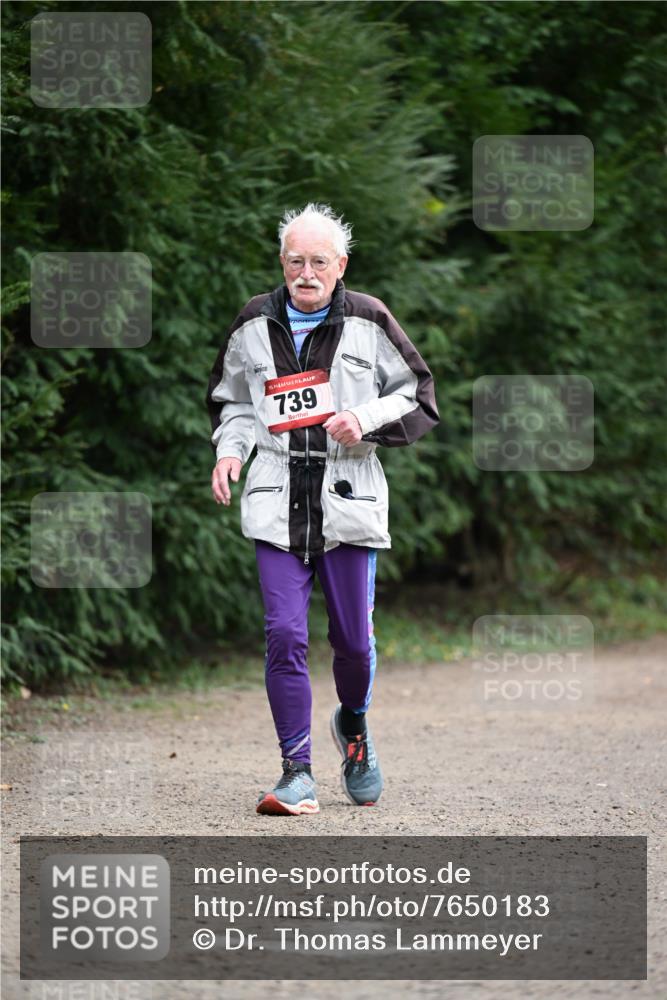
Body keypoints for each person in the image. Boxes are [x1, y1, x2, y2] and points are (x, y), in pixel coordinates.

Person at [206, 203, 439, 815]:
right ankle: (296, 772)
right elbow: (231, 402)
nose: (306, 273)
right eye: (295, 261)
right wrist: (230, 452)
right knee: (284, 635)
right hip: (276, 499)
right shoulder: (252, 323)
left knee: (354, 644)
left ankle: (354, 729)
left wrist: (362, 419)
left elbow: (416, 393)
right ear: (282, 263)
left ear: (340, 266)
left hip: (348, 495)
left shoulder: (369, 319)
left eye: (318, 262)